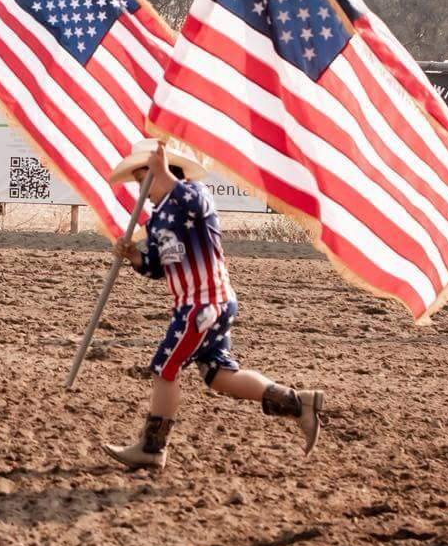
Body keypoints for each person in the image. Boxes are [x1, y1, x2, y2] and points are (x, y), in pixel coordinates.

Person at [104, 140, 324, 471]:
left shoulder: (193, 196)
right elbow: (161, 266)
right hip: (200, 304)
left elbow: (193, 201)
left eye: (142, 179)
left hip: (202, 305)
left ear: (161, 170)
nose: (142, 191)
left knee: (165, 369)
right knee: (220, 376)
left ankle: (152, 448)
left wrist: (165, 175)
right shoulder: (160, 218)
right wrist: (136, 256)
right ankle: (298, 402)